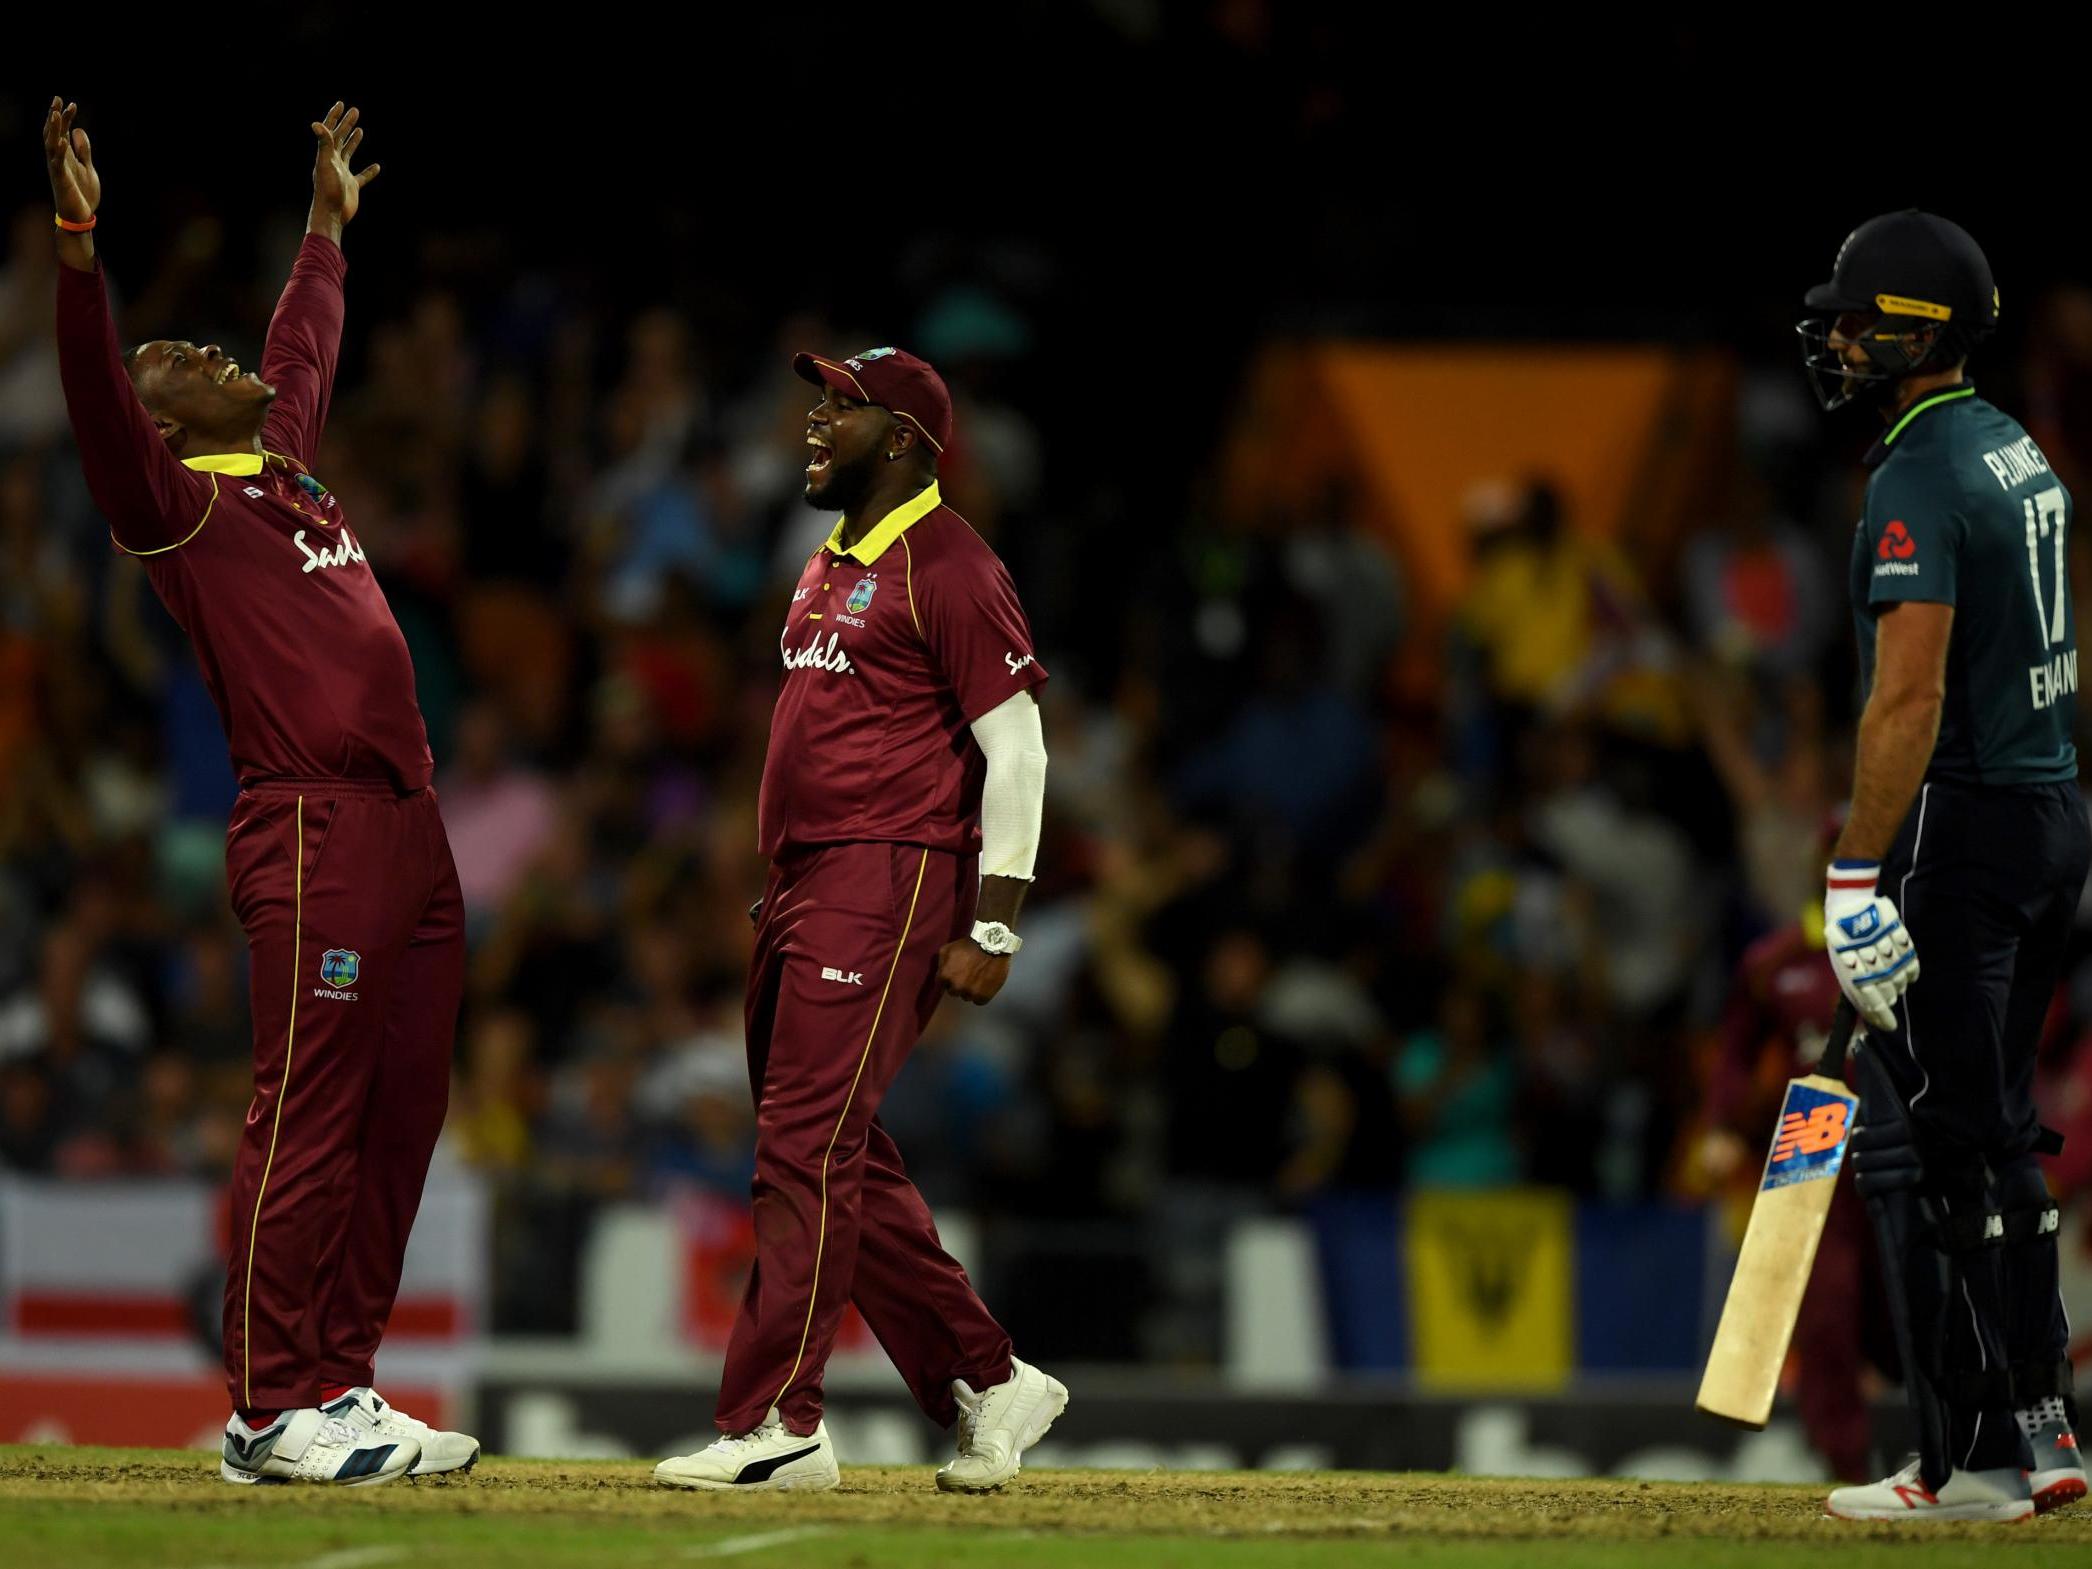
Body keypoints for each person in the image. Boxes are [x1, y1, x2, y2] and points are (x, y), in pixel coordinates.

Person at [46, 98, 477, 1486]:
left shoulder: (279, 465)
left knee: (402, 1111)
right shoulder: (175, 505)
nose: (197, 352)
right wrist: (76, 246)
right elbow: (100, 396)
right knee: (306, 1107)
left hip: (411, 823)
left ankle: (340, 1383)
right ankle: (265, 1408)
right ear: (161, 428)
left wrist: (324, 230)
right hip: (313, 820)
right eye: (172, 359)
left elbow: (302, 347)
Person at [654, 347, 1064, 1492]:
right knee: (831, 1145)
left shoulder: (951, 562)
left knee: (804, 1144)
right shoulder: (831, 558)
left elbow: (1018, 747)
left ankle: (780, 1422)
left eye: (842, 404)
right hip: (808, 881)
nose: (814, 419)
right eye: (816, 397)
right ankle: (989, 1377)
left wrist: (995, 924)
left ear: (905, 437)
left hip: (888, 879)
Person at [1799, 210, 2088, 1521]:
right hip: (2052, 814)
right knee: (1986, 1126)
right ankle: (2020, 1437)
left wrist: (1857, 876)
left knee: (1947, 1149)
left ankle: (1990, 1453)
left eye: (1861, 318)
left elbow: (1906, 701)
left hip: (1961, 835)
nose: (1841, 337)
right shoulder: (2016, 445)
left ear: (1915, 331)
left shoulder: (1918, 471)